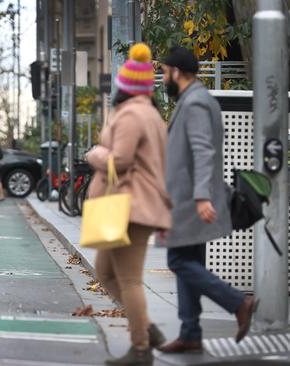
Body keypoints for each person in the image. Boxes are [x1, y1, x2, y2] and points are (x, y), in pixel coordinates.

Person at [157, 47, 257, 353]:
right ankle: (190, 333)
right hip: (188, 199)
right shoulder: (194, 100)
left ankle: (238, 303)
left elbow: (203, 151)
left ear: (176, 71)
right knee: (189, 262)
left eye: (163, 72)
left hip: (190, 201)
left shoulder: (196, 102)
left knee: (178, 261)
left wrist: (201, 197)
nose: (162, 79)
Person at [86, 43, 172, 366]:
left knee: (129, 280)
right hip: (127, 205)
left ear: (124, 86)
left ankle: (141, 348)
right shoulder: (149, 113)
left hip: (129, 207)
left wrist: (94, 153)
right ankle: (147, 328)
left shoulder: (133, 115)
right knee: (105, 272)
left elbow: (119, 160)